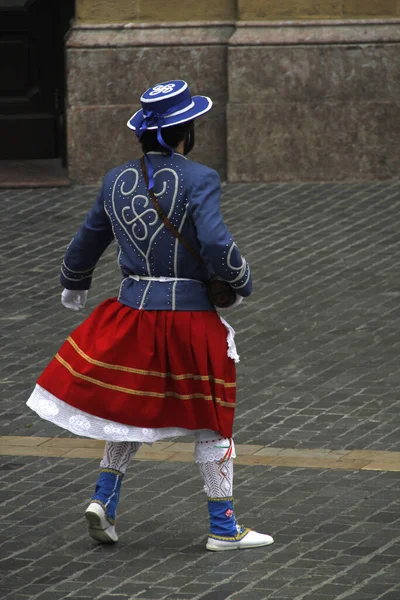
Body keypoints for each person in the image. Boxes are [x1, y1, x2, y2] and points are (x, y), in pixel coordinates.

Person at [27, 80, 274, 551]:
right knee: (213, 421)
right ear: (187, 132)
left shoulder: (115, 179)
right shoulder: (199, 177)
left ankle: (105, 497)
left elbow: (87, 241)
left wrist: (73, 283)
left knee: (129, 412)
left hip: (131, 314)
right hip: (189, 320)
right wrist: (241, 283)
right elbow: (218, 245)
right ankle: (223, 526)